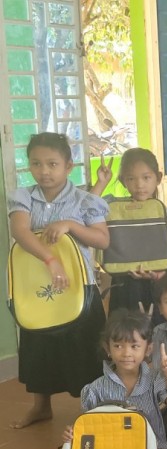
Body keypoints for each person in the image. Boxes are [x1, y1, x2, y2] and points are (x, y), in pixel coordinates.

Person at [8, 132, 110, 429]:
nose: (44, 171)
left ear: (68, 166)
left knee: (86, 347)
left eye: (52, 164)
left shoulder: (85, 201)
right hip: (37, 288)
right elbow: (20, 231)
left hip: (81, 287)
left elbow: (102, 239)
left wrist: (71, 225)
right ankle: (41, 407)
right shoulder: (23, 197)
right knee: (38, 344)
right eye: (36, 163)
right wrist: (50, 260)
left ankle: (91, 407)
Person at [56, 310, 167, 449]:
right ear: (107, 349)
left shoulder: (154, 379)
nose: (126, 353)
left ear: (148, 349)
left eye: (134, 346)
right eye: (118, 346)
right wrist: (72, 433)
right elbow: (87, 426)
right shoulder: (96, 388)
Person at [90, 148, 167, 322]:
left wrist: (160, 275)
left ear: (158, 178)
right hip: (123, 285)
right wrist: (102, 183)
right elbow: (87, 209)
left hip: (157, 286)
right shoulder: (112, 205)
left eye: (146, 177)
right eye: (131, 178)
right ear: (123, 181)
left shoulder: (165, 213)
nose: (139, 185)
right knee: (125, 330)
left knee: (157, 330)